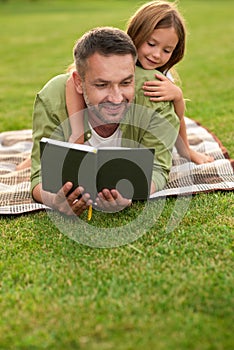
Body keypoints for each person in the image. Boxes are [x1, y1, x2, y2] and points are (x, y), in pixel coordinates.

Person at [30, 27, 179, 216]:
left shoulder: (155, 94)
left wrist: (134, 192)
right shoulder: (52, 98)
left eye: (126, 83)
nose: (116, 99)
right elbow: (39, 177)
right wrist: (55, 200)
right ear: (78, 82)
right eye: (102, 85)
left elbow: (158, 167)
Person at [66, 0, 214, 164]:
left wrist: (177, 97)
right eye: (151, 44)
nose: (157, 55)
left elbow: (175, 117)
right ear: (137, 34)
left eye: (167, 50)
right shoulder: (116, 58)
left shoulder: (160, 77)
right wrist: (77, 131)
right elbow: (72, 82)